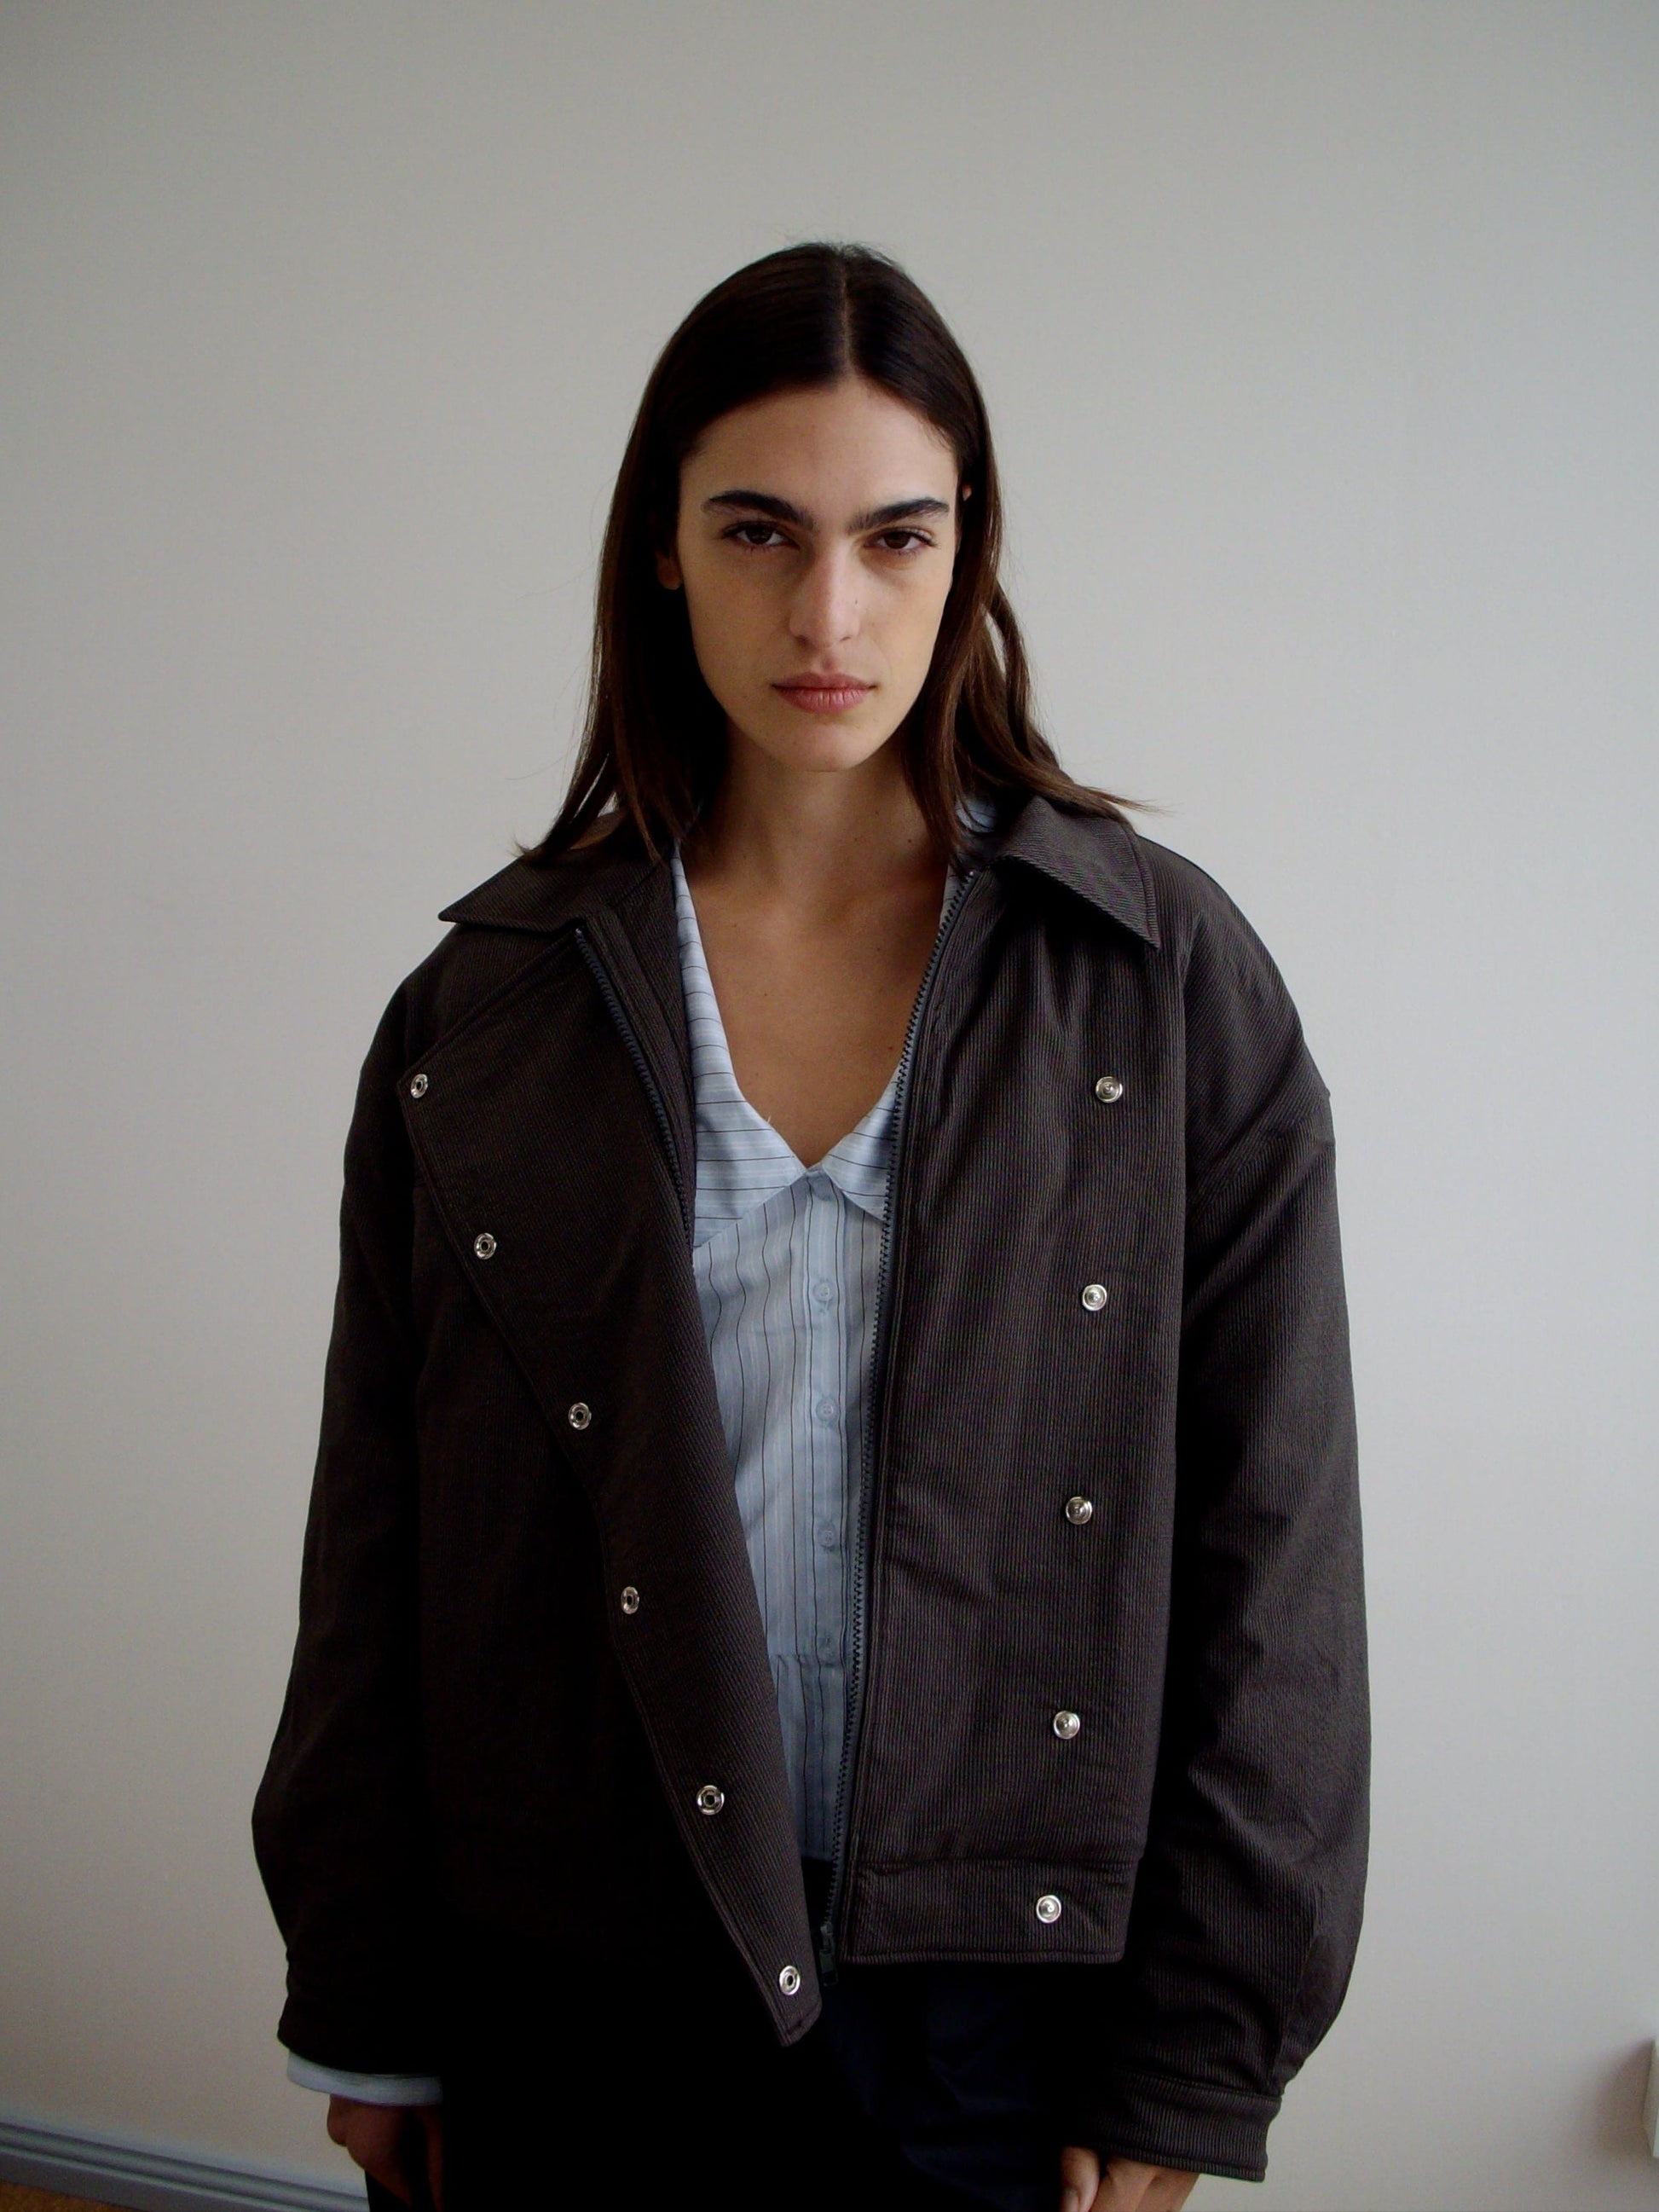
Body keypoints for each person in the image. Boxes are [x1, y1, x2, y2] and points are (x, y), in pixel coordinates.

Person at [252, 243, 1367, 2212]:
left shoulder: (1157, 984)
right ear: (663, 547)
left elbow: (1270, 1550)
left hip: (993, 2006)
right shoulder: (487, 1009)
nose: (827, 613)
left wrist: (1197, 2049)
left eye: (894, 537)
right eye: (759, 530)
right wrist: (367, 1995)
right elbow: (381, 1541)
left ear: (969, 550)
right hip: (568, 1971)